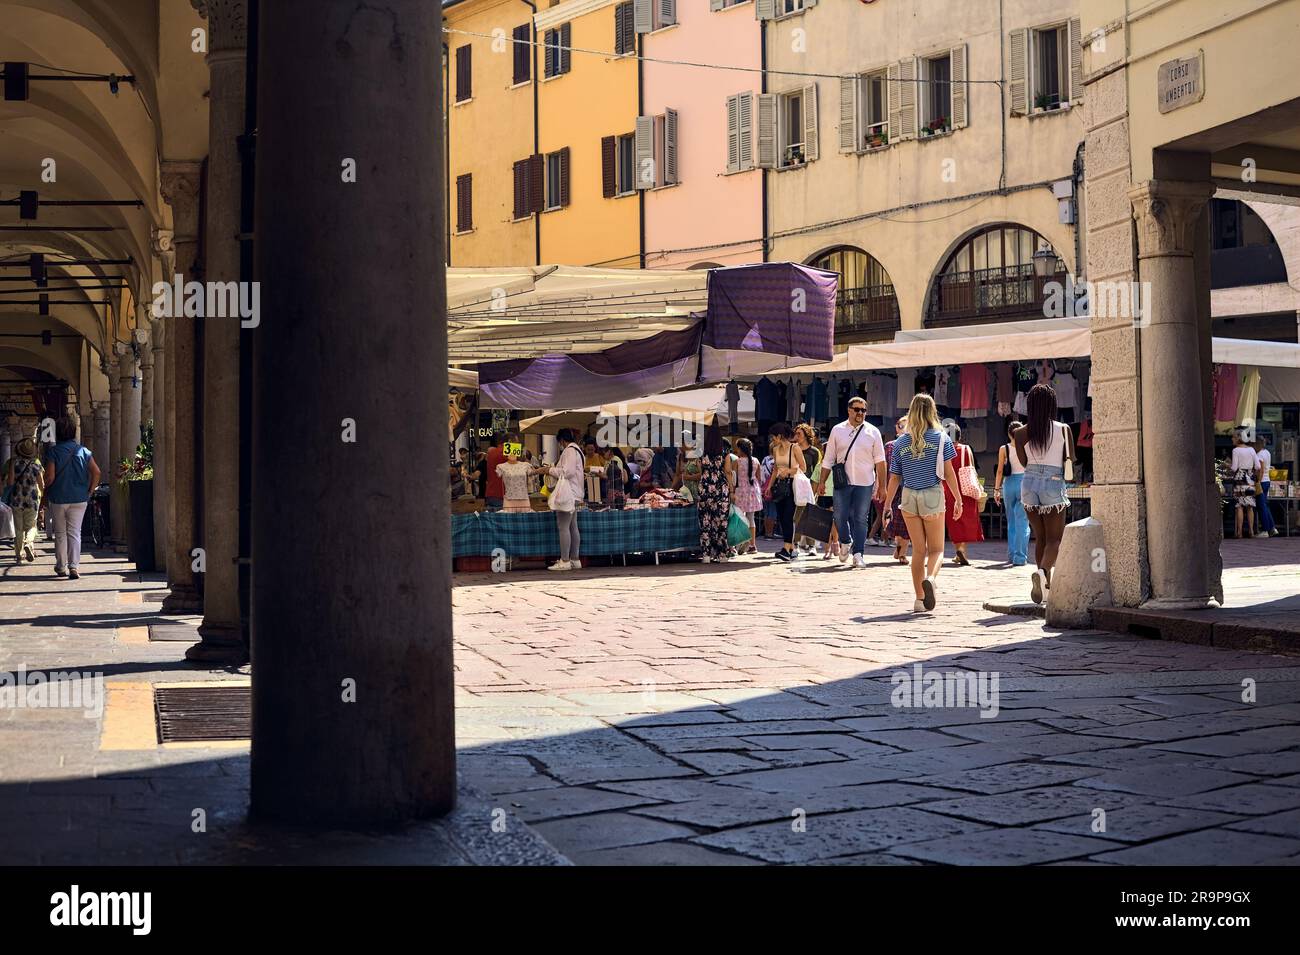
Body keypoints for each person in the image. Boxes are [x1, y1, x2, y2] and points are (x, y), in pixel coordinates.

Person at [882, 394, 962, 613]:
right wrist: (958, 498)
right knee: (936, 549)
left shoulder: (900, 442)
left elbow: (895, 477)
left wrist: (888, 505)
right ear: (932, 411)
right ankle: (931, 579)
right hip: (932, 494)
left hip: (908, 496)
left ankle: (919, 599)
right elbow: (948, 472)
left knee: (918, 550)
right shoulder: (940, 438)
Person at [1013, 384, 1076, 604]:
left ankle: (1045, 588)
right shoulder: (1063, 429)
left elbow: (1023, 462)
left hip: (1028, 483)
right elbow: (1070, 460)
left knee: (1039, 538)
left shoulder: (1020, 433)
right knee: (1055, 540)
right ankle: (1042, 573)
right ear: (1052, 404)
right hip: (1053, 482)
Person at [816, 395, 886, 568]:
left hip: (865, 482)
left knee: (861, 518)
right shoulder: (837, 430)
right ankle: (845, 541)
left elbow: (880, 461)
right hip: (842, 482)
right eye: (857, 409)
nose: (860, 413)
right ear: (849, 410)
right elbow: (828, 458)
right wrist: (822, 481)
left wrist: (882, 486)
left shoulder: (873, 431)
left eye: (863, 410)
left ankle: (858, 554)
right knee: (839, 515)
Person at [43, 416, 100, 580]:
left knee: (60, 532)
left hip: (59, 497)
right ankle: (74, 567)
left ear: (57, 433)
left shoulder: (53, 452)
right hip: (79, 497)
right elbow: (97, 472)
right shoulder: (84, 451)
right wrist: (90, 489)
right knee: (75, 532)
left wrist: (44, 488)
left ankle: (61, 566)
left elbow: (51, 477)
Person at [943, 424, 984, 566]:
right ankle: (962, 551)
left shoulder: (942, 450)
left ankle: (958, 549)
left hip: (948, 487)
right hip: (965, 487)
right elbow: (972, 468)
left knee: (953, 519)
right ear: (959, 435)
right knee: (965, 518)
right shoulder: (966, 449)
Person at [546, 428, 586, 571]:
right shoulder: (579, 451)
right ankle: (575, 559)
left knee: (563, 527)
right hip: (575, 493)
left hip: (567, 494)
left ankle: (565, 560)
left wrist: (549, 470)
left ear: (562, 440)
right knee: (572, 526)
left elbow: (566, 472)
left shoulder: (569, 451)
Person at [766, 422, 806, 562]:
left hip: (791, 485)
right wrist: (769, 486)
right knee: (782, 517)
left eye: (774, 436)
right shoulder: (776, 449)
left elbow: (803, 467)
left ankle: (787, 548)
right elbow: (775, 469)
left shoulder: (794, 448)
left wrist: (788, 471)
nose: (772, 439)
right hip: (779, 485)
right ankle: (790, 548)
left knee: (789, 516)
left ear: (779, 435)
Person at [994, 420, 1030, 566]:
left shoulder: (1004, 448)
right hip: (1025, 483)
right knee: (1023, 521)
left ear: (1009, 434)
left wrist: (996, 490)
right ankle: (1020, 557)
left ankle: (1011, 554)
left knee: (1012, 521)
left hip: (1009, 484)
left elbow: (1000, 471)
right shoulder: (1027, 447)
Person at [5, 435, 44, 563]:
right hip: (32, 499)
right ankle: (29, 542)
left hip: (16, 499)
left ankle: (19, 556)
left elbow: (10, 482)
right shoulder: (36, 464)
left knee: (18, 528)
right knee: (31, 526)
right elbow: (41, 484)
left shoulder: (14, 463)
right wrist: (42, 495)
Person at [696, 423, 731, 563]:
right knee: (721, 522)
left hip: (704, 486)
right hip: (720, 487)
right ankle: (722, 554)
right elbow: (728, 470)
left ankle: (706, 555)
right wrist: (732, 489)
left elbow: (700, 470)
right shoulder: (725, 449)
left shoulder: (700, 449)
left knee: (705, 521)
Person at [727, 437, 763, 555]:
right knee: (751, 518)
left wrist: (731, 491)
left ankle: (738, 543)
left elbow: (733, 478)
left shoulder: (736, 461)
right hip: (753, 491)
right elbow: (759, 478)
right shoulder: (756, 461)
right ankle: (752, 545)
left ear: (740, 449)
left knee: (738, 517)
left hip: (740, 491)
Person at [884, 416, 910, 565]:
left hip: (907, 487)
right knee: (895, 521)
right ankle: (899, 547)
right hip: (893, 488)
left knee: (906, 521)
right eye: (900, 425)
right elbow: (885, 468)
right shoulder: (889, 446)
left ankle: (902, 553)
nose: (902, 427)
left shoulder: (914, 444)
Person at [793, 423, 822, 554]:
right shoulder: (794, 449)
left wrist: (817, 487)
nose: (796, 436)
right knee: (798, 516)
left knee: (811, 515)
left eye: (799, 433)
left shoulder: (814, 452)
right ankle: (796, 543)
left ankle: (811, 545)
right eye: (796, 433)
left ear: (806, 435)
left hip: (810, 486)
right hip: (796, 485)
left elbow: (818, 470)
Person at [1229, 427, 1260, 540]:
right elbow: (1258, 466)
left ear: (1238, 438)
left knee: (1239, 506)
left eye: (1233, 437)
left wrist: (1227, 465)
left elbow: (1234, 468)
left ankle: (1240, 532)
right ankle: (1251, 531)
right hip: (1250, 480)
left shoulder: (1236, 450)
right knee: (1250, 507)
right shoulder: (1251, 450)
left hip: (1239, 481)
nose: (1232, 439)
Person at [495, 437, 535, 513]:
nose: (512, 454)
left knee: (525, 522)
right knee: (509, 523)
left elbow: (533, 475)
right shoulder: (501, 467)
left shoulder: (526, 465)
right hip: (509, 499)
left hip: (524, 499)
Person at [1254, 436, 1278, 538]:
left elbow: (1261, 469)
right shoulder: (1267, 452)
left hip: (1262, 481)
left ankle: (1265, 530)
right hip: (1267, 480)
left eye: (1254, 445)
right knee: (1265, 505)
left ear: (1258, 444)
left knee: (1261, 506)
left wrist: (1258, 481)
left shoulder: (1259, 455)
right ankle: (1272, 528)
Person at [675, 432, 704, 501]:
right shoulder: (681, 456)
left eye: (681, 443)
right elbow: (677, 475)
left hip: (696, 494)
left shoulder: (698, 455)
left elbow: (702, 475)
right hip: (686, 493)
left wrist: (688, 477)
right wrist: (671, 490)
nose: (679, 446)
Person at [483, 435, 506, 511]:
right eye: (516, 442)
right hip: (500, 494)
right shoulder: (503, 452)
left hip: (491, 493)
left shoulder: (491, 453)